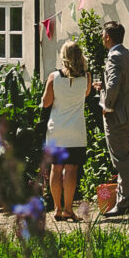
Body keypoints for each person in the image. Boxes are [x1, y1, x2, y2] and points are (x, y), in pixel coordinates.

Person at [41, 43, 93, 227]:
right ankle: (69, 209)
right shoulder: (86, 77)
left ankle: (57, 208)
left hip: (56, 129)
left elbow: (46, 103)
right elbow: (86, 95)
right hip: (76, 130)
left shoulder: (53, 77)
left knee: (56, 168)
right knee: (71, 169)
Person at [98, 20, 129, 214]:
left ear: (108, 37)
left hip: (117, 116)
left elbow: (115, 84)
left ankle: (124, 202)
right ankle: (127, 198)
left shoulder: (114, 57)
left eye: (102, 34)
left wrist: (107, 105)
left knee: (121, 159)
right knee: (127, 156)